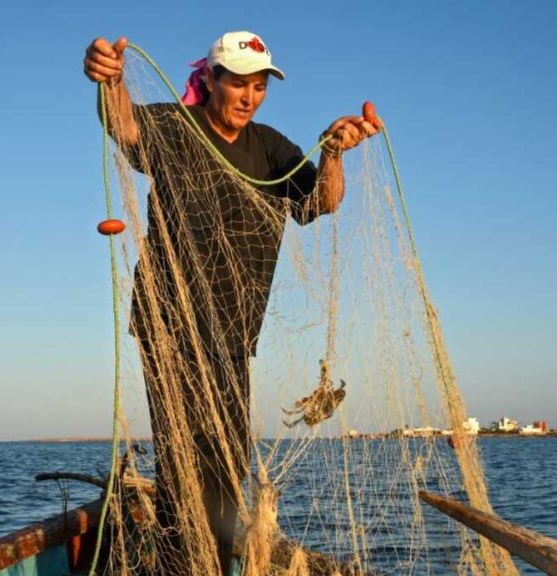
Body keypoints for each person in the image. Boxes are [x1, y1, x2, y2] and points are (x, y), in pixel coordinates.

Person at [83, 31, 378, 575]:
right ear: (212, 79)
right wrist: (111, 78)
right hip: (169, 323)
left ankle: (209, 564)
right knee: (181, 461)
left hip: (232, 335)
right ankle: (185, 565)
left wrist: (334, 151)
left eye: (259, 86)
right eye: (238, 82)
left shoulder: (271, 148)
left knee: (225, 461)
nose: (249, 96)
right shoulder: (176, 127)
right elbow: (123, 126)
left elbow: (322, 201)